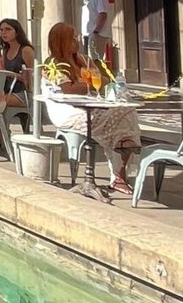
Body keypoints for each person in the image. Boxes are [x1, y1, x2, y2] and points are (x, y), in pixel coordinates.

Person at [40, 23, 142, 191]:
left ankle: (123, 152)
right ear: (61, 41)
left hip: (91, 105)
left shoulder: (83, 60)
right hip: (67, 111)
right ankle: (120, 166)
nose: (77, 41)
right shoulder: (52, 64)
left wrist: (92, 84)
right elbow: (68, 89)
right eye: (72, 38)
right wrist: (91, 84)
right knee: (116, 121)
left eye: (77, 37)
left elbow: (103, 81)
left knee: (125, 110)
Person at [0, 16, 36, 111]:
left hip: (24, 93)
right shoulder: (5, 50)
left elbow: (32, 78)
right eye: (1, 30)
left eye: (8, 29)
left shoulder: (26, 50)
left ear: (17, 32)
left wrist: (11, 74)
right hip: (8, 91)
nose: (3, 32)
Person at [79, 0, 110, 65]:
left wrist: (95, 32)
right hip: (87, 35)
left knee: (94, 63)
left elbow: (103, 14)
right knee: (87, 63)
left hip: (96, 35)